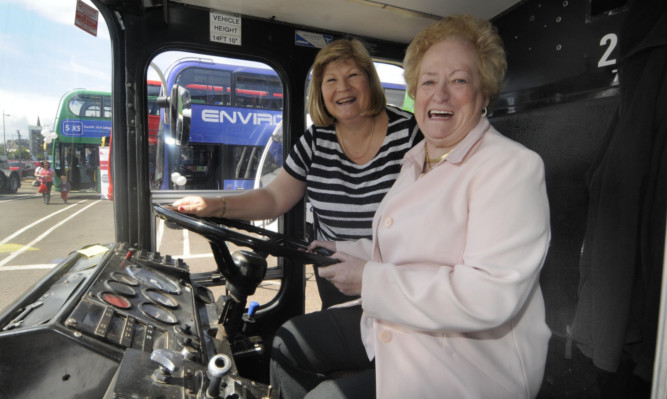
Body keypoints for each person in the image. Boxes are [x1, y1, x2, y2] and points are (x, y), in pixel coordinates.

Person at [269, 15, 551, 398]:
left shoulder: (511, 167)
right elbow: (406, 247)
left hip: (464, 364)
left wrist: (369, 279)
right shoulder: (418, 160)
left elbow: (488, 295)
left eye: (459, 81)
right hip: (398, 325)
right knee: (288, 341)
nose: (441, 95)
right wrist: (344, 249)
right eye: (429, 82)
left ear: (484, 93)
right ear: (415, 93)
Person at [173, 38, 422, 308]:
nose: (344, 88)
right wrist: (216, 206)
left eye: (353, 75)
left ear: (370, 82)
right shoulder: (316, 140)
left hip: (395, 275)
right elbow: (273, 198)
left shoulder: (410, 134)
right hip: (335, 272)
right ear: (320, 91)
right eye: (331, 81)